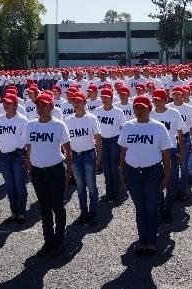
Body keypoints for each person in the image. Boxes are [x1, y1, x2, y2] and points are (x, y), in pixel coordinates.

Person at [118, 95, 171, 257]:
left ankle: (152, 242)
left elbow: (166, 153)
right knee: (140, 208)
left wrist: (167, 175)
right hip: (133, 173)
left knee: (152, 208)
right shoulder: (128, 127)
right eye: (137, 107)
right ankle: (143, 241)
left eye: (143, 108)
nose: (139, 111)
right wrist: (122, 172)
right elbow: (123, 151)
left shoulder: (159, 127)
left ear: (149, 109)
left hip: (152, 173)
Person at [24, 93, 72, 257]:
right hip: (38, 172)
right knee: (44, 208)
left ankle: (60, 241)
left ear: (51, 107)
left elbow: (67, 150)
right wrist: (30, 169)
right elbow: (29, 149)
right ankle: (48, 241)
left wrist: (68, 172)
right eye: (38, 105)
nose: (40, 108)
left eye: (44, 105)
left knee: (58, 207)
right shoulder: (30, 125)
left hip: (55, 171)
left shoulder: (59, 125)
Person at [65, 92, 101, 226]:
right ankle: (83, 213)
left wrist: (99, 157)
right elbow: (66, 141)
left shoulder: (92, 118)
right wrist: (67, 157)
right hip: (75, 156)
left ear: (84, 103)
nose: (76, 103)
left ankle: (94, 214)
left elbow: (97, 139)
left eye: (79, 101)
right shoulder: (68, 120)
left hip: (88, 155)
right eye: (74, 101)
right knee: (80, 187)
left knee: (91, 186)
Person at [0, 94, 29, 224]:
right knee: (9, 186)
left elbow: (27, 141)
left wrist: (27, 158)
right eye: (4, 103)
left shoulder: (22, 120)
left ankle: (22, 212)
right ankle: (14, 212)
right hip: (4, 156)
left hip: (17, 156)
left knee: (19, 186)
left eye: (9, 103)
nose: (5, 105)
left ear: (16, 105)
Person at [150, 89, 184, 223]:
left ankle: (168, 209)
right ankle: (160, 207)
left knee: (171, 181)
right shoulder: (151, 114)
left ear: (165, 100)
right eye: (155, 100)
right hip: (155, 152)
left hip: (170, 150)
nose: (157, 103)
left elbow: (180, 133)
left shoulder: (174, 113)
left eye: (159, 100)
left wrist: (181, 151)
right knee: (157, 181)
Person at [93, 88, 125, 202]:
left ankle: (115, 193)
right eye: (102, 97)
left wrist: (122, 144)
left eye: (106, 97)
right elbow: (95, 128)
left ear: (111, 98)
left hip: (114, 141)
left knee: (114, 167)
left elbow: (123, 128)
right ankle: (109, 193)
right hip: (102, 141)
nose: (104, 99)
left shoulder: (118, 111)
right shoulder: (97, 111)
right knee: (106, 167)